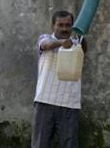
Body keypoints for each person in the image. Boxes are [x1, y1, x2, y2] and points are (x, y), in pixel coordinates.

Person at [32, 10, 86, 148]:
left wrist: (77, 37)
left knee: (69, 144)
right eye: (60, 25)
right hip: (45, 101)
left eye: (68, 25)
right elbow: (46, 46)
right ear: (52, 26)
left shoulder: (78, 43)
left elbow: (84, 46)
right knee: (40, 144)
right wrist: (62, 43)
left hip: (69, 103)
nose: (64, 28)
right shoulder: (44, 38)